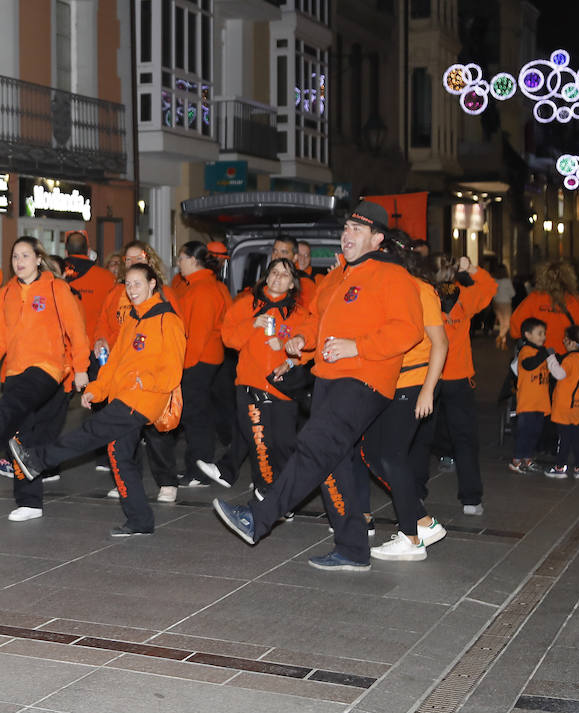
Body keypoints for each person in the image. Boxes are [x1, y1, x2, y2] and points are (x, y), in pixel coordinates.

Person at [213, 200, 424, 571]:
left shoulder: (393, 276)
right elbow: (316, 321)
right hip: (328, 379)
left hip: (364, 379)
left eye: (356, 230)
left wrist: (357, 346)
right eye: (346, 229)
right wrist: (299, 342)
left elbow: (408, 330)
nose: (347, 236)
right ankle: (353, 548)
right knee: (333, 463)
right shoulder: (337, 276)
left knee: (313, 445)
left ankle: (259, 517)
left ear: (377, 238)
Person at [9, 263, 186, 537]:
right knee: (120, 457)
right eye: (127, 284)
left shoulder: (168, 321)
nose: (131, 289)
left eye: (137, 283)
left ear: (153, 284)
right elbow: (114, 364)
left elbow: (174, 369)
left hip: (142, 399)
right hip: (123, 396)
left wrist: (147, 381)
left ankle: (36, 460)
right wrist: (96, 389)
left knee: (90, 432)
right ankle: (140, 520)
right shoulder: (132, 321)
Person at [0, 237, 88, 520]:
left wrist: (81, 367)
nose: (19, 262)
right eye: (14, 257)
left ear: (38, 259)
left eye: (25, 256)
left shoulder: (57, 288)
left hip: (46, 369)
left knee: (1, 414)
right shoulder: (6, 293)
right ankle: (30, 502)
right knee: (22, 438)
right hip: (15, 372)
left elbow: (77, 330)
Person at [364, 249, 448, 561]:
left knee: (390, 454)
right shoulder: (391, 291)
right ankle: (423, 521)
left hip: (414, 382)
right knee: (372, 452)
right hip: (390, 382)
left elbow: (440, 343)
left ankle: (410, 538)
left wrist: (428, 390)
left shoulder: (419, 289)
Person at [220, 258, 313, 501]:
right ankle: (266, 492)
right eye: (274, 272)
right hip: (250, 385)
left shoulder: (301, 314)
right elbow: (228, 337)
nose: (277, 278)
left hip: (283, 388)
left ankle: (287, 495)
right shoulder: (245, 305)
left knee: (283, 444)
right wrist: (252, 323)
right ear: (266, 276)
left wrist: (290, 358)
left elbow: (310, 349)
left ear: (293, 284)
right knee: (260, 442)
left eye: (284, 275)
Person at [95, 241, 179, 500]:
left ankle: (167, 481)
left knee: (155, 431)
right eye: (126, 259)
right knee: (122, 433)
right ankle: (125, 480)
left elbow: (176, 334)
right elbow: (104, 325)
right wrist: (100, 340)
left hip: (151, 375)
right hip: (123, 372)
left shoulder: (165, 295)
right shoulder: (115, 294)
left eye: (137, 257)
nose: (131, 262)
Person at [423, 255, 497, 514]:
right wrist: (472, 269)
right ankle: (471, 499)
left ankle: (416, 493)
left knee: (421, 438)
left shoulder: (425, 295)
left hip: (428, 376)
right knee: (465, 438)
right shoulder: (465, 295)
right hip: (459, 377)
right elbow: (491, 287)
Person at [170, 240, 234, 488]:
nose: (178, 263)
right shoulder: (205, 286)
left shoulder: (202, 289)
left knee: (195, 417)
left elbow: (197, 334)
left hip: (198, 360)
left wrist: (183, 365)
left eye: (181, 258)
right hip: (204, 359)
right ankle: (198, 467)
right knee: (200, 415)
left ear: (193, 260)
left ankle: (198, 469)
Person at [511, 318, 562, 474]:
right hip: (527, 403)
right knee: (525, 432)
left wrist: (555, 359)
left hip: (541, 403)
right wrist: (545, 354)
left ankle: (527, 459)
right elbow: (528, 365)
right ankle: (517, 460)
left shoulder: (542, 353)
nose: (543, 337)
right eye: (539, 333)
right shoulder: (526, 351)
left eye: (544, 333)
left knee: (534, 433)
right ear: (527, 335)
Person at [510, 260, 579, 354]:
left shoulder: (534, 299)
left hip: (539, 358)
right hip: (568, 360)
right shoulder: (576, 301)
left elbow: (515, 329)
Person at [60, 229, 116, 348]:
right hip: (95, 347)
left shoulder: (54, 276)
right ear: (89, 251)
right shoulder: (108, 278)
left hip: (64, 350)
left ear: (66, 252)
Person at [547, 326, 579, 478]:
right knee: (577, 438)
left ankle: (560, 467)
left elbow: (559, 374)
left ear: (574, 342)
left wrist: (550, 357)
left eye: (566, 339)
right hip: (578, 406)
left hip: (566, 406)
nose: (563, 341)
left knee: (564, 438)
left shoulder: (571, 359)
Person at [492, 263, 516, 349]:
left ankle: (503, 343)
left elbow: (492, 292)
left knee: (502, 323)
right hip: (506, 303)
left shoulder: (494, 280)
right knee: (507, 324)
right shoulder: (507, 281)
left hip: (496, 303)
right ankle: (500, 338)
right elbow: (513, 293)